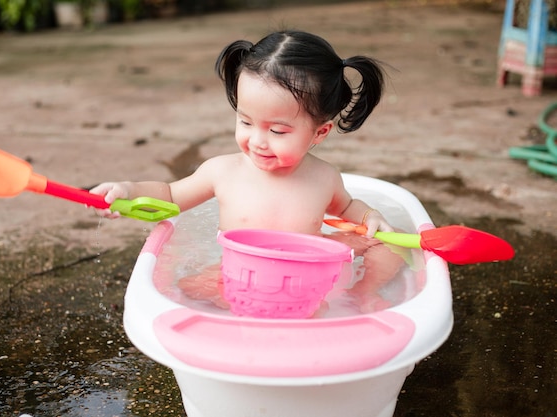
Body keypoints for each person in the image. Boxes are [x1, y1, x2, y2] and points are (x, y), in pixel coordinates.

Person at [91, 30, 404, 312]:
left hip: (306, 281)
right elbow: (170, 196)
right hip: (241, 278)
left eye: (278, 131)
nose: (257, 141)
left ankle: (363, 293)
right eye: (245, 122)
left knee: (393, 240)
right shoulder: (223, 172)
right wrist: (129, 190)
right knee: (185, 291)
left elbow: (347, 208)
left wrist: (368, 217)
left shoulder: (323, 177)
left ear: (319, 133)